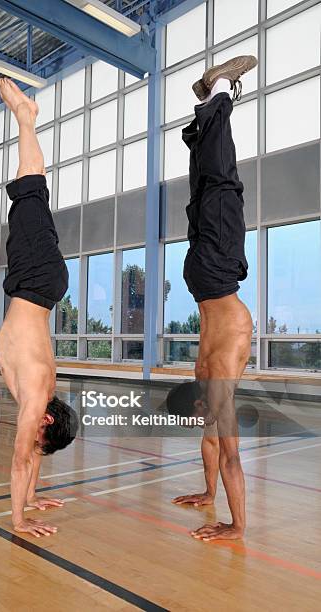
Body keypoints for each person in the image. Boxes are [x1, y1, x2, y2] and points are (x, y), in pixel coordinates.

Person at [169, 56, 257, 541]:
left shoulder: (207, 381)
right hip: (218, 279)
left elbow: (209, 446)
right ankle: (217, 95)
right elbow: (230, 456)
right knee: (220, 189)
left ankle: (208, 110)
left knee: (206, 195)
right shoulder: (216, 382)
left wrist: (207, 494)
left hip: (205, 276)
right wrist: (233, 524)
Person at [0, 77, 78, 538]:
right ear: (46, 420)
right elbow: (21, 456)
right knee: (31, 194)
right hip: (33, 282)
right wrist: (19, 520)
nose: (34, 440)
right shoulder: (35, 401)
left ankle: (25, 120)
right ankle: (26, 118)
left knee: (33, 199)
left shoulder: (41, 393)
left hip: (41, 286)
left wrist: (33, 496)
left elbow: (33, 454)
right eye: (42, 435)